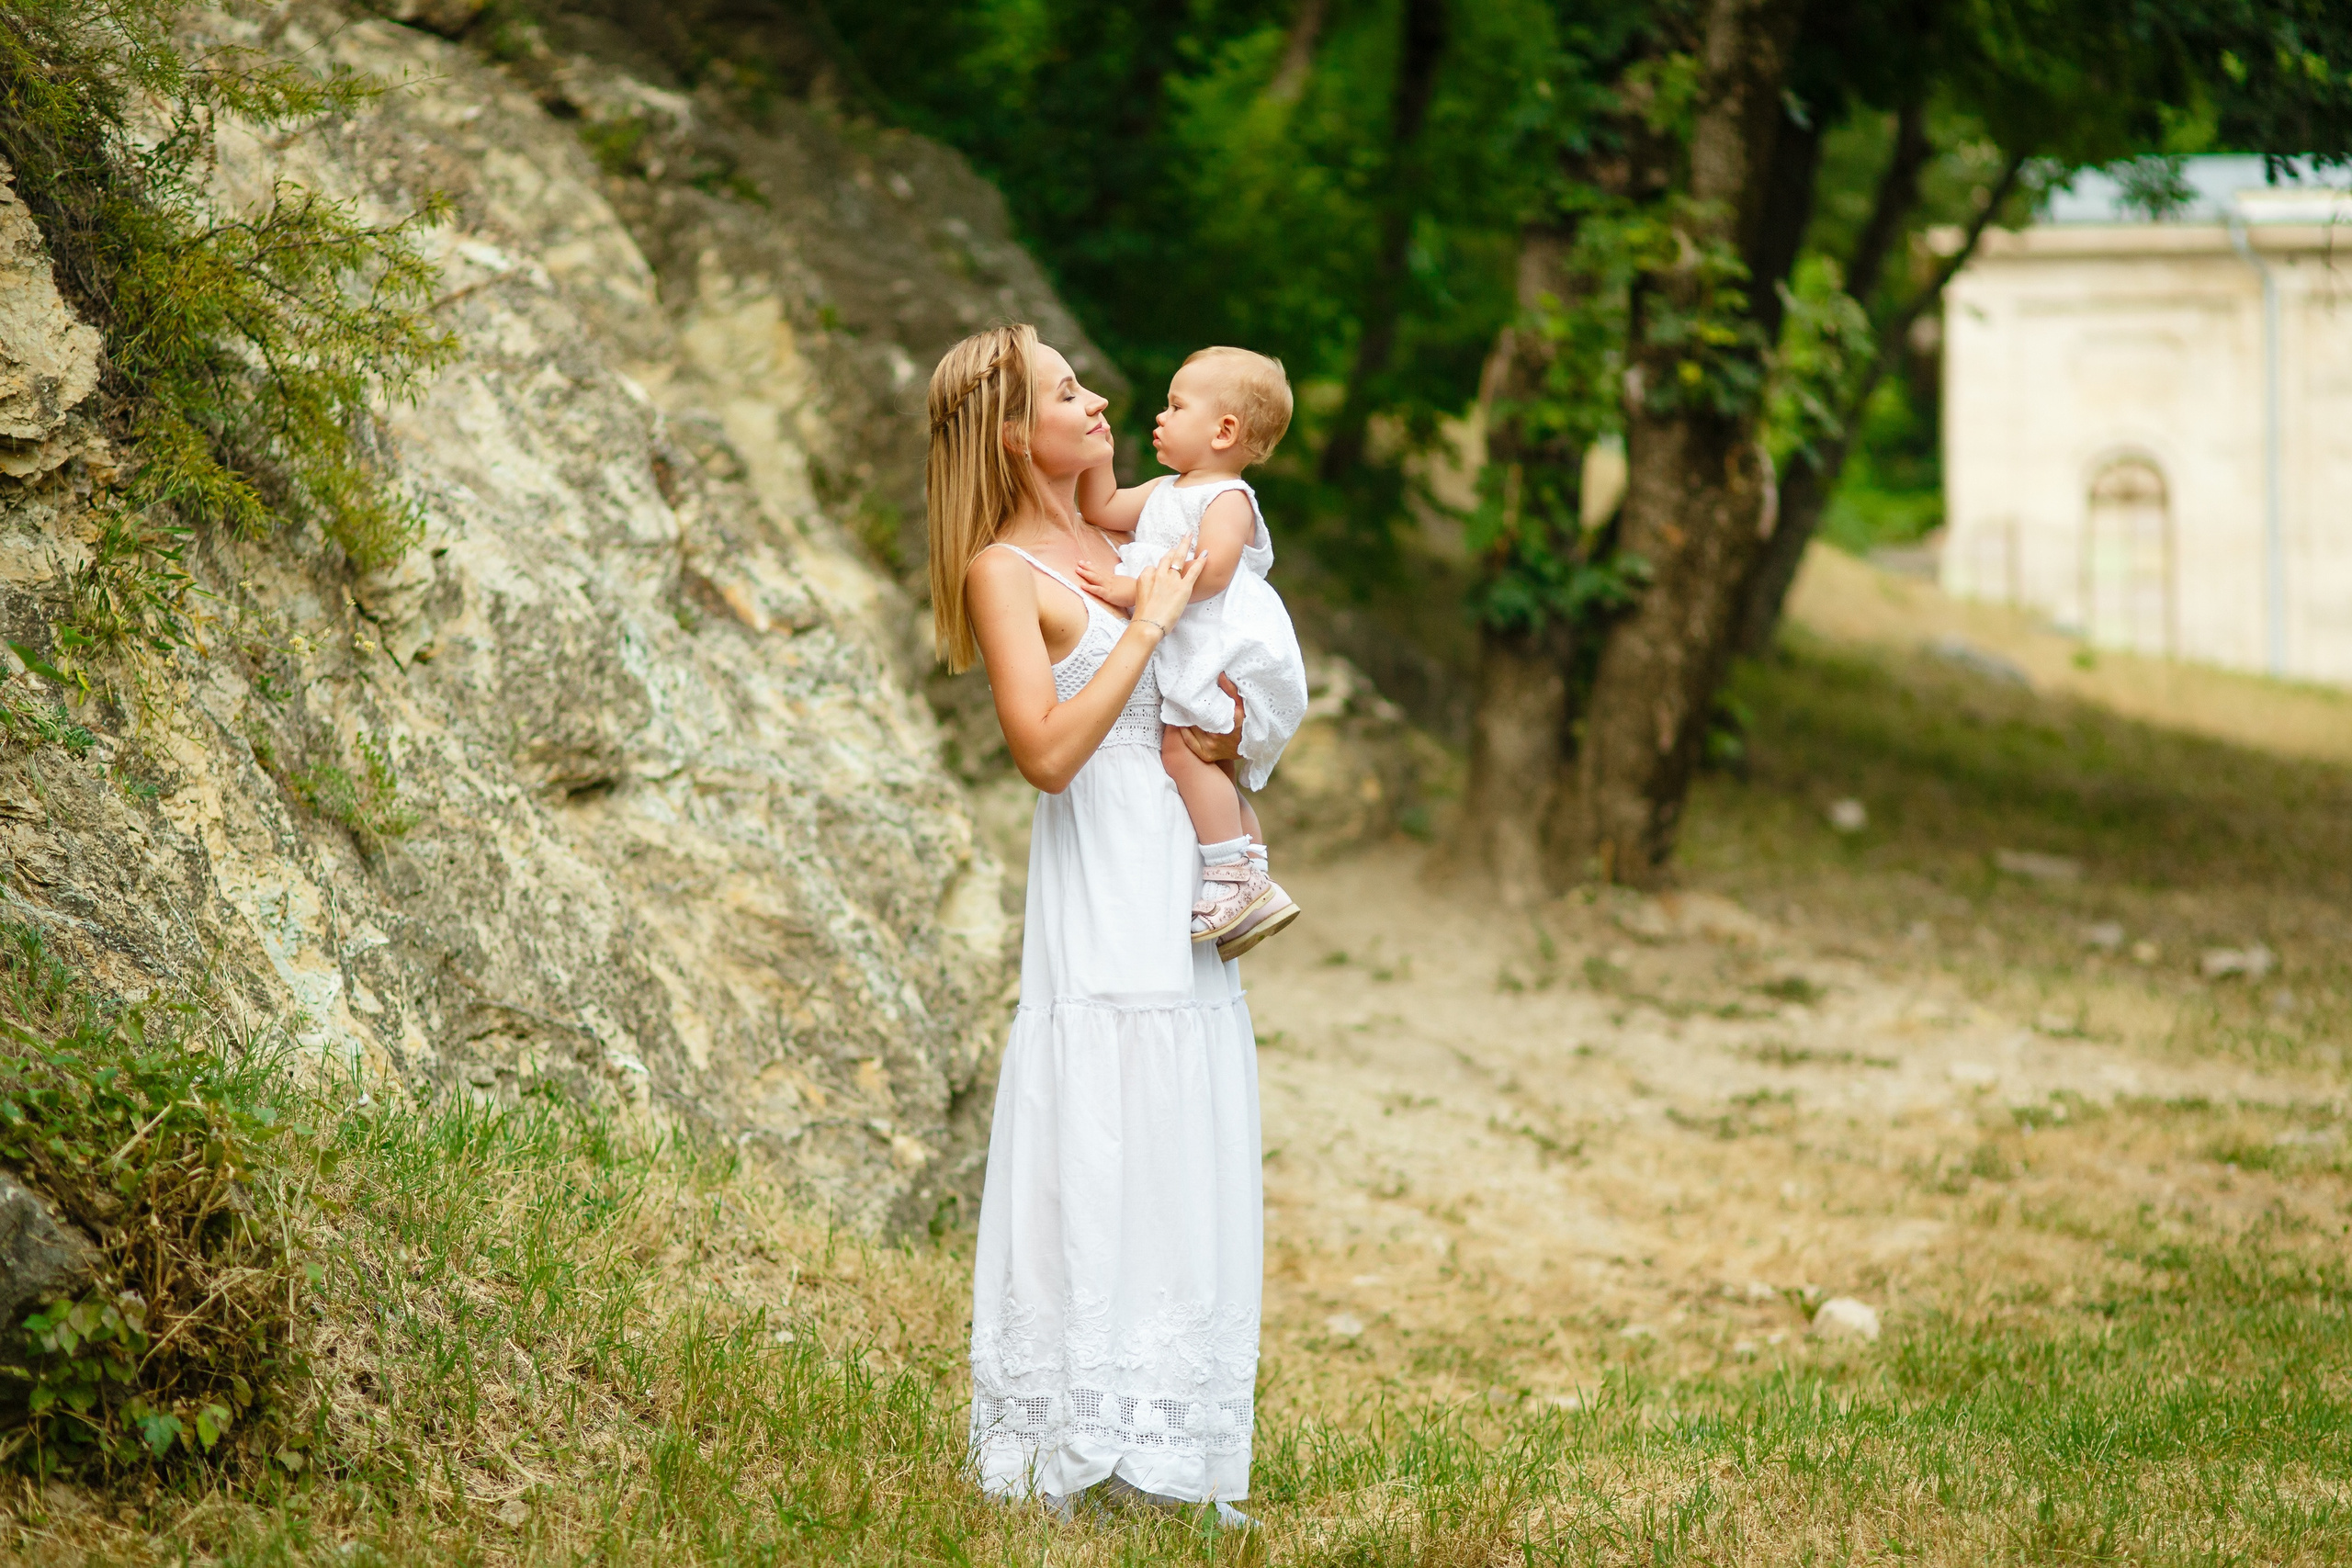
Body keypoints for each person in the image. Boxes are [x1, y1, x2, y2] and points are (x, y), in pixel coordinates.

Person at [929, 323, 1263, 1528]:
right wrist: (1140, 625)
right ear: (1016, 433)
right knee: (1099, 1135)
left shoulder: (1133, 529)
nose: (1102, 400)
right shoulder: (1003, 568)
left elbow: (1209, 653)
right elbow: (1047, 752)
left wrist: (1233, 731)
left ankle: (1168, 1439)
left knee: (1178, 1133)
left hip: (1178, 869)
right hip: (1101, 880)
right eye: (1070, 392)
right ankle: (1065, 1436)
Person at [1073, 347, 1309, 959]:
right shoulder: (1164, 489)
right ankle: (1252, 872)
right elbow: (1099, 509)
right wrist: (1096, 452)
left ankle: (1231, 874)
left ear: (1224, 430)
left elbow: (1210, 571)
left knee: (1185, 749)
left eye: (1175, 406)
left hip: (1226, 645)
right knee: (1204, 761)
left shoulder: (1227, 498)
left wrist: (1135, 590)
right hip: (1190, 639)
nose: (1160, 415)